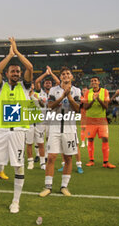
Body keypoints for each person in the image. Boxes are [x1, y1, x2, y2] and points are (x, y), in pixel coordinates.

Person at [0, 37, 33, 214]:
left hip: (18, 132)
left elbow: (30, 68)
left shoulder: (25, 88)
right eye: (12, 71)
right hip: (1, 131)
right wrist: (9, 55)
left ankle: (15, 201)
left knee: (18, 167)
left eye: (17, 72)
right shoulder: (0, 88)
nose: (16, 74)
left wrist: (17, 52)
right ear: (7, 74)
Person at [39, 66, 81, 197]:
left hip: (69, 128)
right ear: (61, 77)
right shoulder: (53, 90)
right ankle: (48, 186)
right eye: (63, 74)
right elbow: (50, 106)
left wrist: (69, 97)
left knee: (68, 158)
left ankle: (64, 186)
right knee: (51, 157)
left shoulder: (77, 91)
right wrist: (62, 96)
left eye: (68, 73)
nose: (65, 75)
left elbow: (78, 109)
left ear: (71, 77)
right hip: (55, 128)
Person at [83, 76, 116, 168]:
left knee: (105, 139)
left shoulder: (105, 92)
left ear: (98, 82)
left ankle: (106, 162)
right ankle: (91, 160)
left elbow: (106, 106)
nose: (93, 82)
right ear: (90, 83)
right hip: (90, 120)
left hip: (101, 120)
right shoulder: (87, 93)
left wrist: (98, 99)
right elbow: (85, 107)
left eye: (95, 80)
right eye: (92, 81)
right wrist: (93, 100)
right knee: (90, 139)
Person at [34, 65, 60, 162]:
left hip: (51, 118)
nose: (48, 84)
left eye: (49, 83)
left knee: (49, 137)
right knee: (39, 137)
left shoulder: (54, 92)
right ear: (44, 84)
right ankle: (38, 154)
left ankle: (45, 155)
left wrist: (51, 73)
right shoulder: (39, 92)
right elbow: (36, 81)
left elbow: (58, 82)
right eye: (46, 83)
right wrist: (45, 73)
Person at [25, 83, 46, 170]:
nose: (31, 87)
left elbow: (42, 105)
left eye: (32, 85)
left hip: (38, 122)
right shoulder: (23, 95)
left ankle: (42, 163)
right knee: (29, 143)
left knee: (40, 143)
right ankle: (30, 162)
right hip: (28, 122)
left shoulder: (37, 95)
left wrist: (37, 99)